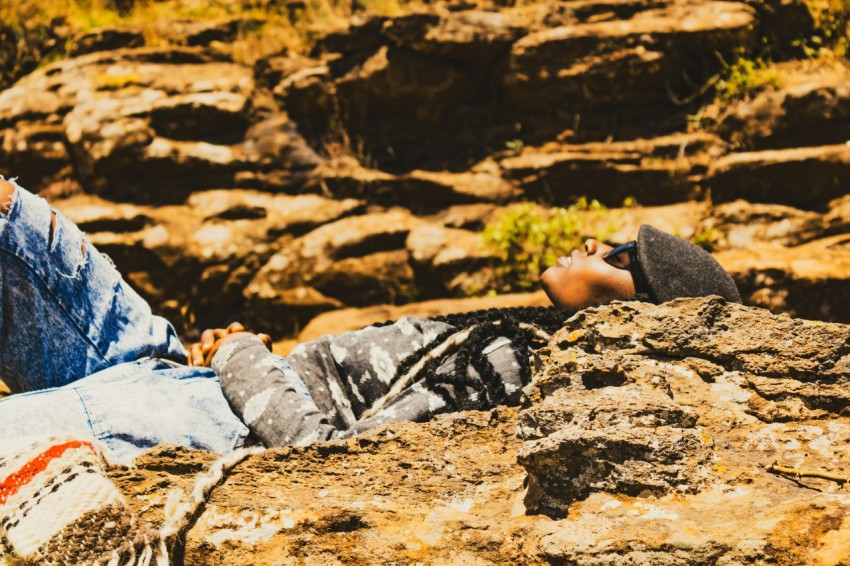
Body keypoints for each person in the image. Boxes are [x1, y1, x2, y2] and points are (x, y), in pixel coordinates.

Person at [0, 177, 741, 465]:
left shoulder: (512, 372)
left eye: (616, 256)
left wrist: (243, 354)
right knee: (10, 216)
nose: (592, 243)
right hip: (168, 368)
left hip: (202, 414)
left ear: (638, 314)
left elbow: (325, 453)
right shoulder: (506, 339)